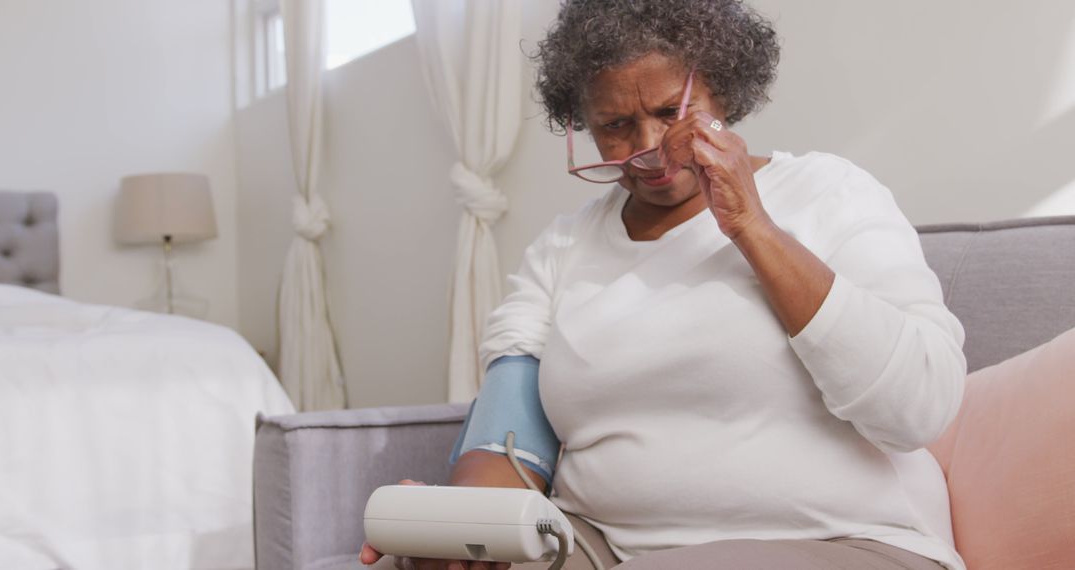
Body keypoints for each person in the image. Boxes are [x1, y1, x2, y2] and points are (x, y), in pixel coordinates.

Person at [363, 0, 967, 568]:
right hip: (607, 545)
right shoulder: (563, 248)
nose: (649, 149)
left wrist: (751, 226)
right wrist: (462, 528)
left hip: (841, 539)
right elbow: (505, 439)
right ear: (581, 123)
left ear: (722, 90)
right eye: (616, 124)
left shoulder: (828, 193)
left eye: (669, 113)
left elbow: (918, 410)